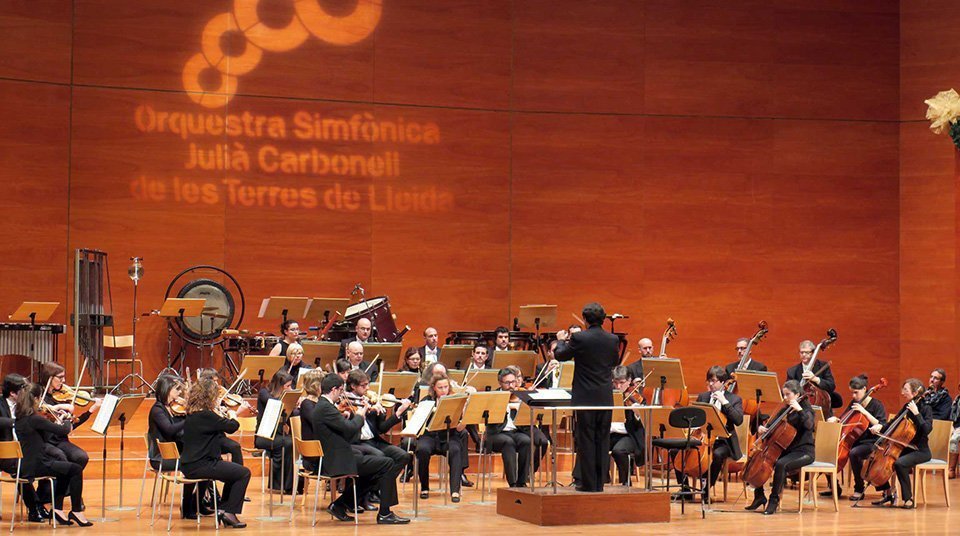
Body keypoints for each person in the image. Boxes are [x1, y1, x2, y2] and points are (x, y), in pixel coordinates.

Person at [310, 374, 410, 524]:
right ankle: (385, 513)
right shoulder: (326, 407)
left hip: (336, 455)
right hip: (336, 460)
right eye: (340, 390)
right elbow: (351, 430)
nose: (341, 394)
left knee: (374, 471)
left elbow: (343, 430)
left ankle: (340, 505)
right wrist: (360, 415)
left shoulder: (323, 406)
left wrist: (344, 417)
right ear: (334, 389)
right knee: (387, 463)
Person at [554, 302, 620, 492]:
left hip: (584, 398)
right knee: (602, 439)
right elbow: (614, 361)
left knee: (586, 440)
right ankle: (600, 483)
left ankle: (589, 484)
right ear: (603, 319)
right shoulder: (612, 339)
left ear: (584, 319)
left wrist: (560, 340)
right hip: (605, 397)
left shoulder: (579, 338)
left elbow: (560, 356)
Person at [15, 383, 92, 526]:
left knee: (65, 470)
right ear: (36, 399)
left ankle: (57, 510)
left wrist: (56, 417)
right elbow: (63, 431)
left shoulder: (20, 418)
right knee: (75, 469)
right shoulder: (35, 419)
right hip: (38, 465)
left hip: (25, 465)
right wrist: (67, 419)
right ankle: (76, 511)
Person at [181, 379, 251, 528]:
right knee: (243, 473)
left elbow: (217, 429)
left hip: (191, 464)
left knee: (234, 474)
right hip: (202, 465)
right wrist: (233, 413)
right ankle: (228, 512)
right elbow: (232, 426)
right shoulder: (206, 415)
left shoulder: (193, 414)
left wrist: (219, 413)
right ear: (209, 397)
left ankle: (225, 509)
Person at [344, 370, 413, 509]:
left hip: (374, 441)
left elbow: (381, 429)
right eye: (363, 386)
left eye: (368, 384)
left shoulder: (369, 399)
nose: (367, 388)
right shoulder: (346, 401)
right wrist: (363, 410)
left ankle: (373, 488)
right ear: (352, 386)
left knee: (403, 456)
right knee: (380, 458)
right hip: (357, 443)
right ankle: (363, 496)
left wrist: (398, 412)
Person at [746, 380, 815, 515]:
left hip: (804, 451)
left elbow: (809, 426)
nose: (785, 398)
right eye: (784, 395)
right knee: (758, 460)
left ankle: (773, 501)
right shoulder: (785, 410)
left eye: (788, 395)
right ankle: (759, 496)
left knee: (781, 464)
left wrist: (799, 410)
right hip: (787, 450)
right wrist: (763, 429)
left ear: (797, 395)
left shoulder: (807, 410)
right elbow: (772, 427)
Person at [148, 374, 213, 519]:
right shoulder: (157, 410)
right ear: (167, 389)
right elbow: (170, 430)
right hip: (162, 457)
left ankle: (198, 502)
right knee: (194, 463)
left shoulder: (171, 408)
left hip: (177, 453)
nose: (179, 393)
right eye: (176, 389)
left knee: (208, 460)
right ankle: (187, 505)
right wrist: (190, 416)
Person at [871, 378, 932, 509]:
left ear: (915, 393)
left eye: (906, 390)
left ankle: (908, 499)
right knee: (877, 456)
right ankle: (887, 492)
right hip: (905, 447)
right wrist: (880, 427)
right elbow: (892, 424)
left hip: (920, 450)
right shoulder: (906, 407)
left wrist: (917, 414)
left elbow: (926, 430)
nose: (902, 392)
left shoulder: (926, 408)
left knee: (900, 463)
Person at [823, 374, 886, 500]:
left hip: (871, 442)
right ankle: (834, 486)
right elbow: (845, 419)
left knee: (854, 453)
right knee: (826, 449)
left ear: (864, 389)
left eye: (856, 392)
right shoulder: (855, 402)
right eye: (852, 393)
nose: (853, 396)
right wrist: (837, 419)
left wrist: (864, 412)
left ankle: (859, 488)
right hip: (855, 440)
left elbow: (882, 425)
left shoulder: (877, 405)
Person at [483, 368, 547, 488]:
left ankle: (522, 481)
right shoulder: (493, 397)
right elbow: (488, 421)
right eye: (507, 383)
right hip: (496, 433)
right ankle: (512, 483)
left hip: (515, 431)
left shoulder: (520, 396)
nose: (511, 386)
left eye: (513, 382)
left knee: (526, 441)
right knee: (508, 443)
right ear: (500, 383)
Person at [415, 375, 468, 501]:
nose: (443, 390)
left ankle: (455, 490)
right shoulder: (426, 401)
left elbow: (460, 429)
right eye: (440, 387)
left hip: (449, 436)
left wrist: (465, 412)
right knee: (422, 450)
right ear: (434, 388)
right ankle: (424, 487)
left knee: (455, 449)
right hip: (429, 436)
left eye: (446, 387)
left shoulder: (455, 401)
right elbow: (419, 423)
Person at [0, 374, 45, 522]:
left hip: (26, 449)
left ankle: (46, 502)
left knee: (54, 458)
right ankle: (35, 507)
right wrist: (16, 422)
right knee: (21, 468)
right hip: (6, 452)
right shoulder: (1, 404)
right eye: (24, 390)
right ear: (13, 393)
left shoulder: (25, 405)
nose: (27, 394)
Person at [694, 366, 743, 499]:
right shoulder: (703, 397)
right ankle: (685, 486)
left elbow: (738, 420)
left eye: (714, 381)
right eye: (709, 380)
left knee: (717, 454)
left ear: (722, 382)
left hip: (724, 441)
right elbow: (696, 418)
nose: (710, 384)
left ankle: (706, 488)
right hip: (703, 437)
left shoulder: (733, 399)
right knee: (680, 449)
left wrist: (724, 402)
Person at [255, 370, 296, 494]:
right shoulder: (264, 393)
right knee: (287, 443)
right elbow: (274, 404)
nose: (290, 389)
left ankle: (288, 485)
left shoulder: (283, 396)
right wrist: (289, 400)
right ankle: (282, 484)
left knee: (290, 442)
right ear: (279, 385)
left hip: (278, 435)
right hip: (264, 435)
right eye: (287, 386)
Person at [607, 366, 645, 486]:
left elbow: (642, 424)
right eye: (615, 383)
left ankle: (626, 482)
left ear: (629, 381)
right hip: (609, 434)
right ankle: (601, 481)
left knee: (619, 451)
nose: (618, 387)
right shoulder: (607, 396)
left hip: (628, 435)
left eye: (622, 383)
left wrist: (638, 414)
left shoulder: (636, 398)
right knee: (592, 446)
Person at [785, 340, 836, 415]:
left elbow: (831, 386)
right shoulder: (792, 371)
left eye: (807, 352)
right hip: (801, 410)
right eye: (802, 352)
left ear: (813, 353)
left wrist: (816, 379)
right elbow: (788, 391)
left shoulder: (823, 366)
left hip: (822, 408)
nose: (804, 355)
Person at [297, 370, 325, 474]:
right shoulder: (307, 404)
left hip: (321, 447)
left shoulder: (319, 402)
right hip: (314, 454)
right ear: (316, 386)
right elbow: (318, 423)